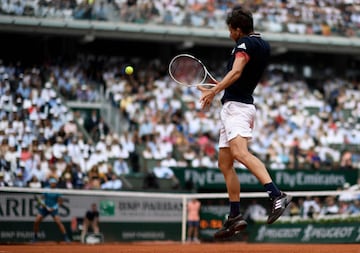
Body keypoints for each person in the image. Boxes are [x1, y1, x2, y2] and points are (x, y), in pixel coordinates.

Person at [197, 6, 292, 240]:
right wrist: (216, 87)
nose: (230, 34)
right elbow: (238, 78)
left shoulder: (244, 45)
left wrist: (214, 91)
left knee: (240, 153)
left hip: (237, 109)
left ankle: (276, 194)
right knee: (225, 163)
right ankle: (235, 215)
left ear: (238, 30)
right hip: (237, 105)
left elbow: (237, 73)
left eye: (231, 30)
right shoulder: (262, 44)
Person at [32, 178, 70, 242]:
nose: (53, 184)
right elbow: (41, 199)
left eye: (54, 183)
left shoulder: (57, 191)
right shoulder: (46, 189)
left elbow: (60, 201)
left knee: (58, 222)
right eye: (52, 183)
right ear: (50, 183)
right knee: (36, 221)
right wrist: (46, 206)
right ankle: (35, 237)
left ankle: (66, 237)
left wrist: (54, 207)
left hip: (53, 209)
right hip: (44, 208)